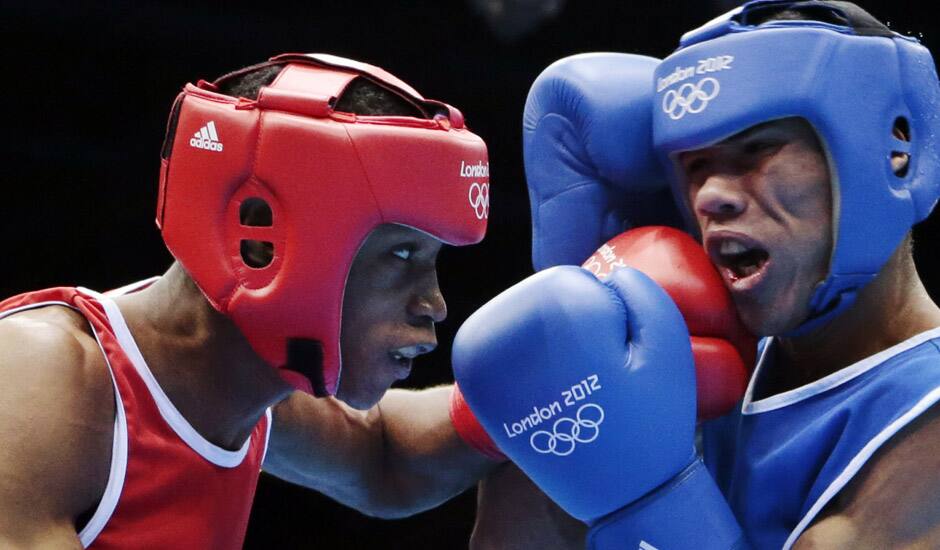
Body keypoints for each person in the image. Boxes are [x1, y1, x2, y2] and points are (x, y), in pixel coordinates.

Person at [454, 1, 940, 548]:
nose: (710, 196)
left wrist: (650, 504)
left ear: (893, 153)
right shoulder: (692, 347)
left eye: (756, 151)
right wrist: (565, 340)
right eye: (695, 167)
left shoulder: (925, 421)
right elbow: (384, 458)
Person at [0, 53, 500, 549]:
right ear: (260, 239)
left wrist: (549, 384)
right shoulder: (40, 374)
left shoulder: (246, 391)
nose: (434, 304)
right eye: (403, 253)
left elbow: (384, 458)